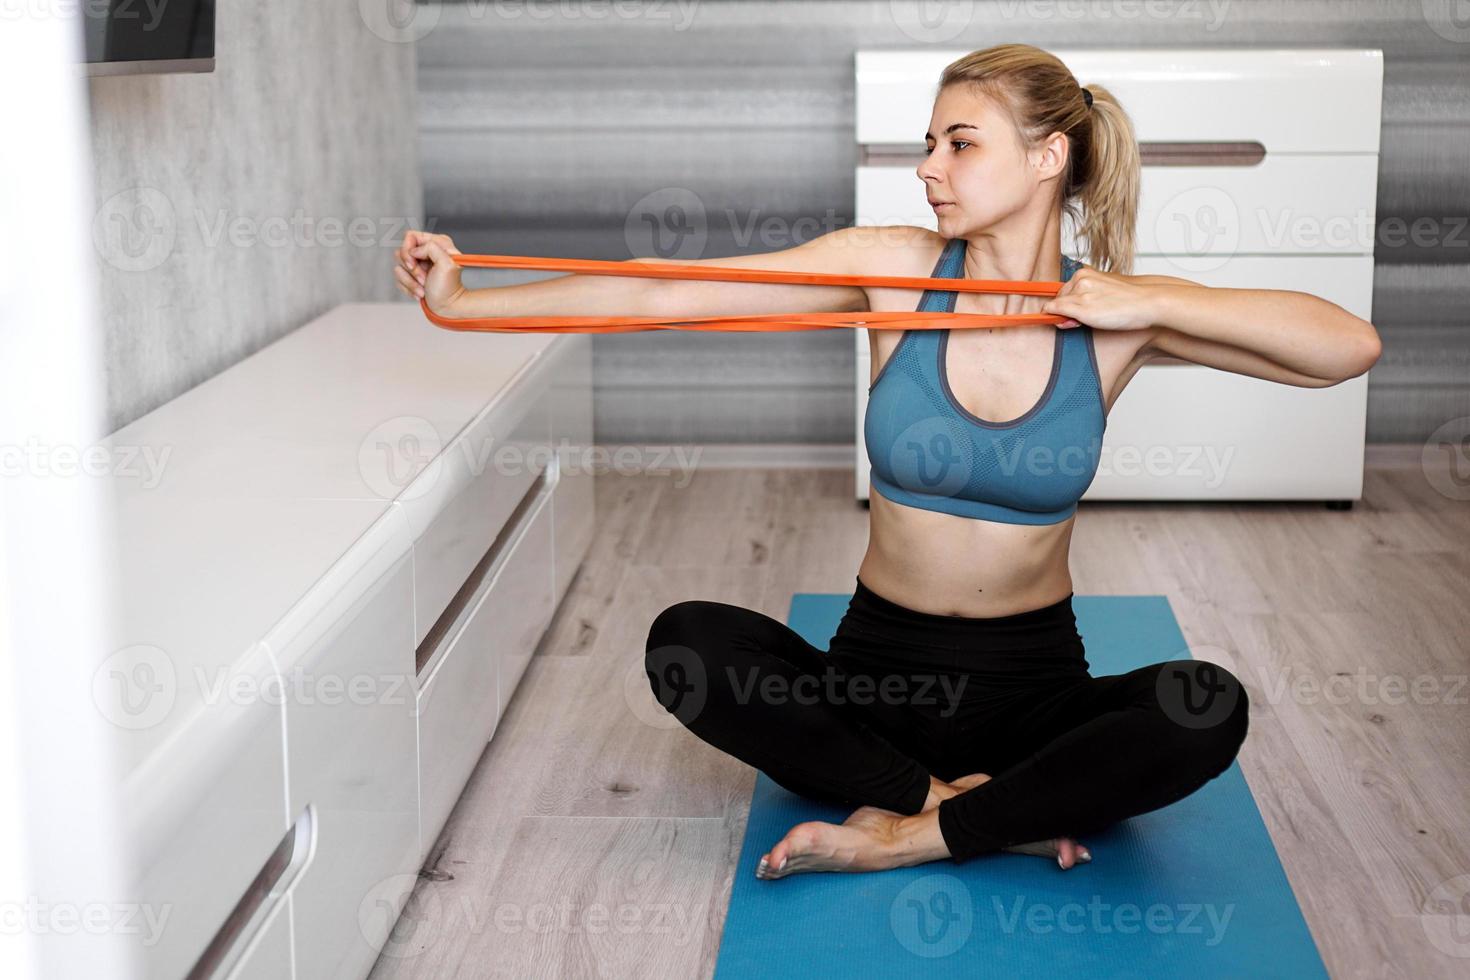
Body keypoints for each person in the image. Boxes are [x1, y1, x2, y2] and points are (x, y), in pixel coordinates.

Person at [394, 43, 1380, 878]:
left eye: (959, 142)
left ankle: (904, 831)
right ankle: (964, 811)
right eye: (927, 143)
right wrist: (461, 302)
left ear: (1049, 155)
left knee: (1207, 708)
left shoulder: (1114, 321)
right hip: (874, 680)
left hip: (1032, 691)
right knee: (687, 640)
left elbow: (1346, 348)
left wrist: (1152, 301)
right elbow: (669, 294)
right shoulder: (894, 269)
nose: (929, 167)